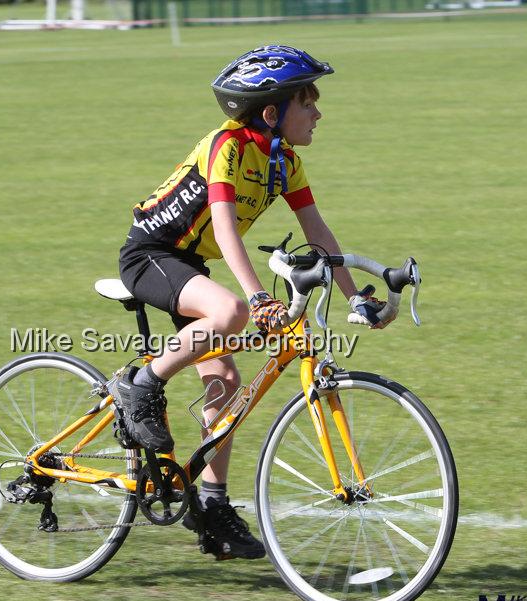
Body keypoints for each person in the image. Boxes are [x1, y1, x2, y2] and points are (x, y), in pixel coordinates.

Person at [110, 45, 395, 560]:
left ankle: (212, 509)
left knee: (226, 383)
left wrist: (357, 299)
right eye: (307, 103)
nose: (318, 113)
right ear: (272, 112)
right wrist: (257, 295)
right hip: (150, 254)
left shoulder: (285, 161)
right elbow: (223, 226)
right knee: (232, 314)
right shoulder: (229, 147)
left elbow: (319, 233)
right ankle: (141, 384)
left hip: (191, 267)